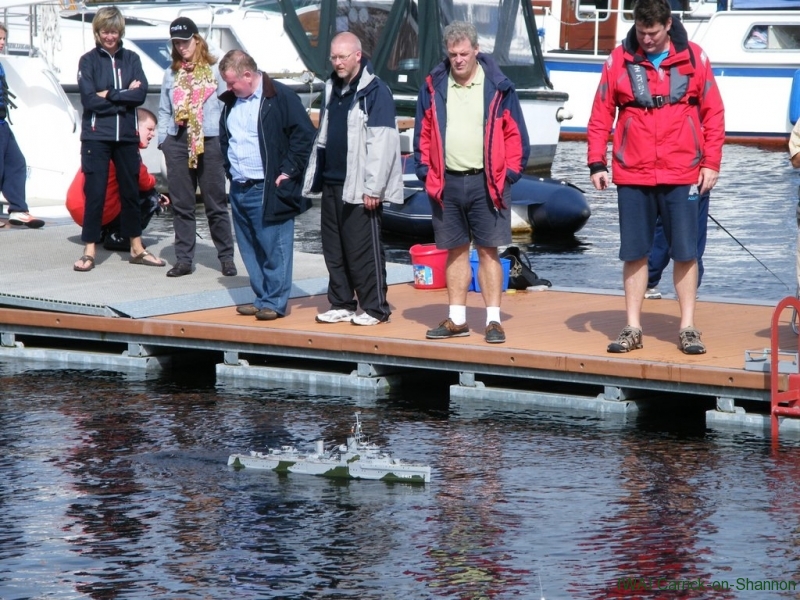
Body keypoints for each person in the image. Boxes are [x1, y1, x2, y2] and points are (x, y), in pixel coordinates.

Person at [587, 0, 724, 354]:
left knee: (686, 252)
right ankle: (632, 328)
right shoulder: (618, 60)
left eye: (653, 32)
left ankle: (688, 327)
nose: (646, 39)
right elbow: (601, 113)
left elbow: (714, 113)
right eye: (641, 31)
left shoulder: (695, 57)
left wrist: (711, 163)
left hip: (683, 171)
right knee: (634, 252)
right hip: (633, 172)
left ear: (668, 25)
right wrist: (596, 162)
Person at [413, 21, 530, 344]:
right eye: (453, 54)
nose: (459, 59)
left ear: (477, 50)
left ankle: (493, 321)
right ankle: (457, 319)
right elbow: (423, 132)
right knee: (455, 251)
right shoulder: (434, 85)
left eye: (464, 53)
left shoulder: (498, 86)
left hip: (488, 182)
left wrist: (509, 174)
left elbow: (516, 134)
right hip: (446, 182)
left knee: (489, 251)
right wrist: (425, 171)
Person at [302, 32, 403, 327]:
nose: (337, 62)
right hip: (332, 182)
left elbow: (383, 143)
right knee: (334, 249)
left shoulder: (375, 91)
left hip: (361, 186)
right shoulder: (332, 87)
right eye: (333, 57)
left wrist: (374, 188)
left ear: (358, 56)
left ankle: (376, 308)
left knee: (363, 250)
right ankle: (342, 303)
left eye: (343, 57)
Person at [218, 50, 315, 320]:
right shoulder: (232, 101)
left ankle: (274, 301)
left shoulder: (281, 97)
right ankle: (261, 297)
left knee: (275, 247)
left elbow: (305, 135)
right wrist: (229, 170)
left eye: (232, 82)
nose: (228, 88)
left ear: (248, 75)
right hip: (239, 185)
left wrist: (288, 171)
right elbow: (226, 138)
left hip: (269, 185)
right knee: (250, 247)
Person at [74, 6, 164, 272]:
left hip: (125, 136)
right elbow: (89, 100)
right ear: (97, 32)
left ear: (120, 32)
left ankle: (137, 247)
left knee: (130, 192)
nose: (109, 36)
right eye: (105, 31)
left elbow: (140, 95)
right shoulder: (88, 61)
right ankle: (89, 250)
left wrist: (109, 93)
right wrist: (124, 94)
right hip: (97, 136)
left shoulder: (132, 59)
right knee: (95, 193)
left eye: (114, 31)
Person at [158, 17, 236, 278]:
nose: (181, 47)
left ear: (197, 40)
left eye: (185, 41)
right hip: (178, 141)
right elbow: (164, 110)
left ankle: (226, 258)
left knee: (216, 203)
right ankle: (183, 260)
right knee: (182, 204)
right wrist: (164, 141)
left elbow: (228, 106)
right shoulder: (170, 74)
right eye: (177, 43)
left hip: (210, 140)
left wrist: (226, 139)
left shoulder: (215, 71)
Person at [66, 108, 169, 249]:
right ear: (134, 127)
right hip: (97, 211)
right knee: (151, 197)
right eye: (149, 129)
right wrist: (156, 189)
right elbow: (145, 182)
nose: (153, 134)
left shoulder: (104, 144)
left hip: (78, 209)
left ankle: (100, 231)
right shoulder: (126, 149)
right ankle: (120, 236)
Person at [0, 23, 44, 229]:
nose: (2, 43)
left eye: (3, 39)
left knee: (16, 163)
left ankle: (18, 210)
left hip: (2, 124)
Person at [645, 190, 710, 299]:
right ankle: (650, 280)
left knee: (671, 234)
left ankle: (651, 281)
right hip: (686, 187)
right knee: (691, 236)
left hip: (686, 187)